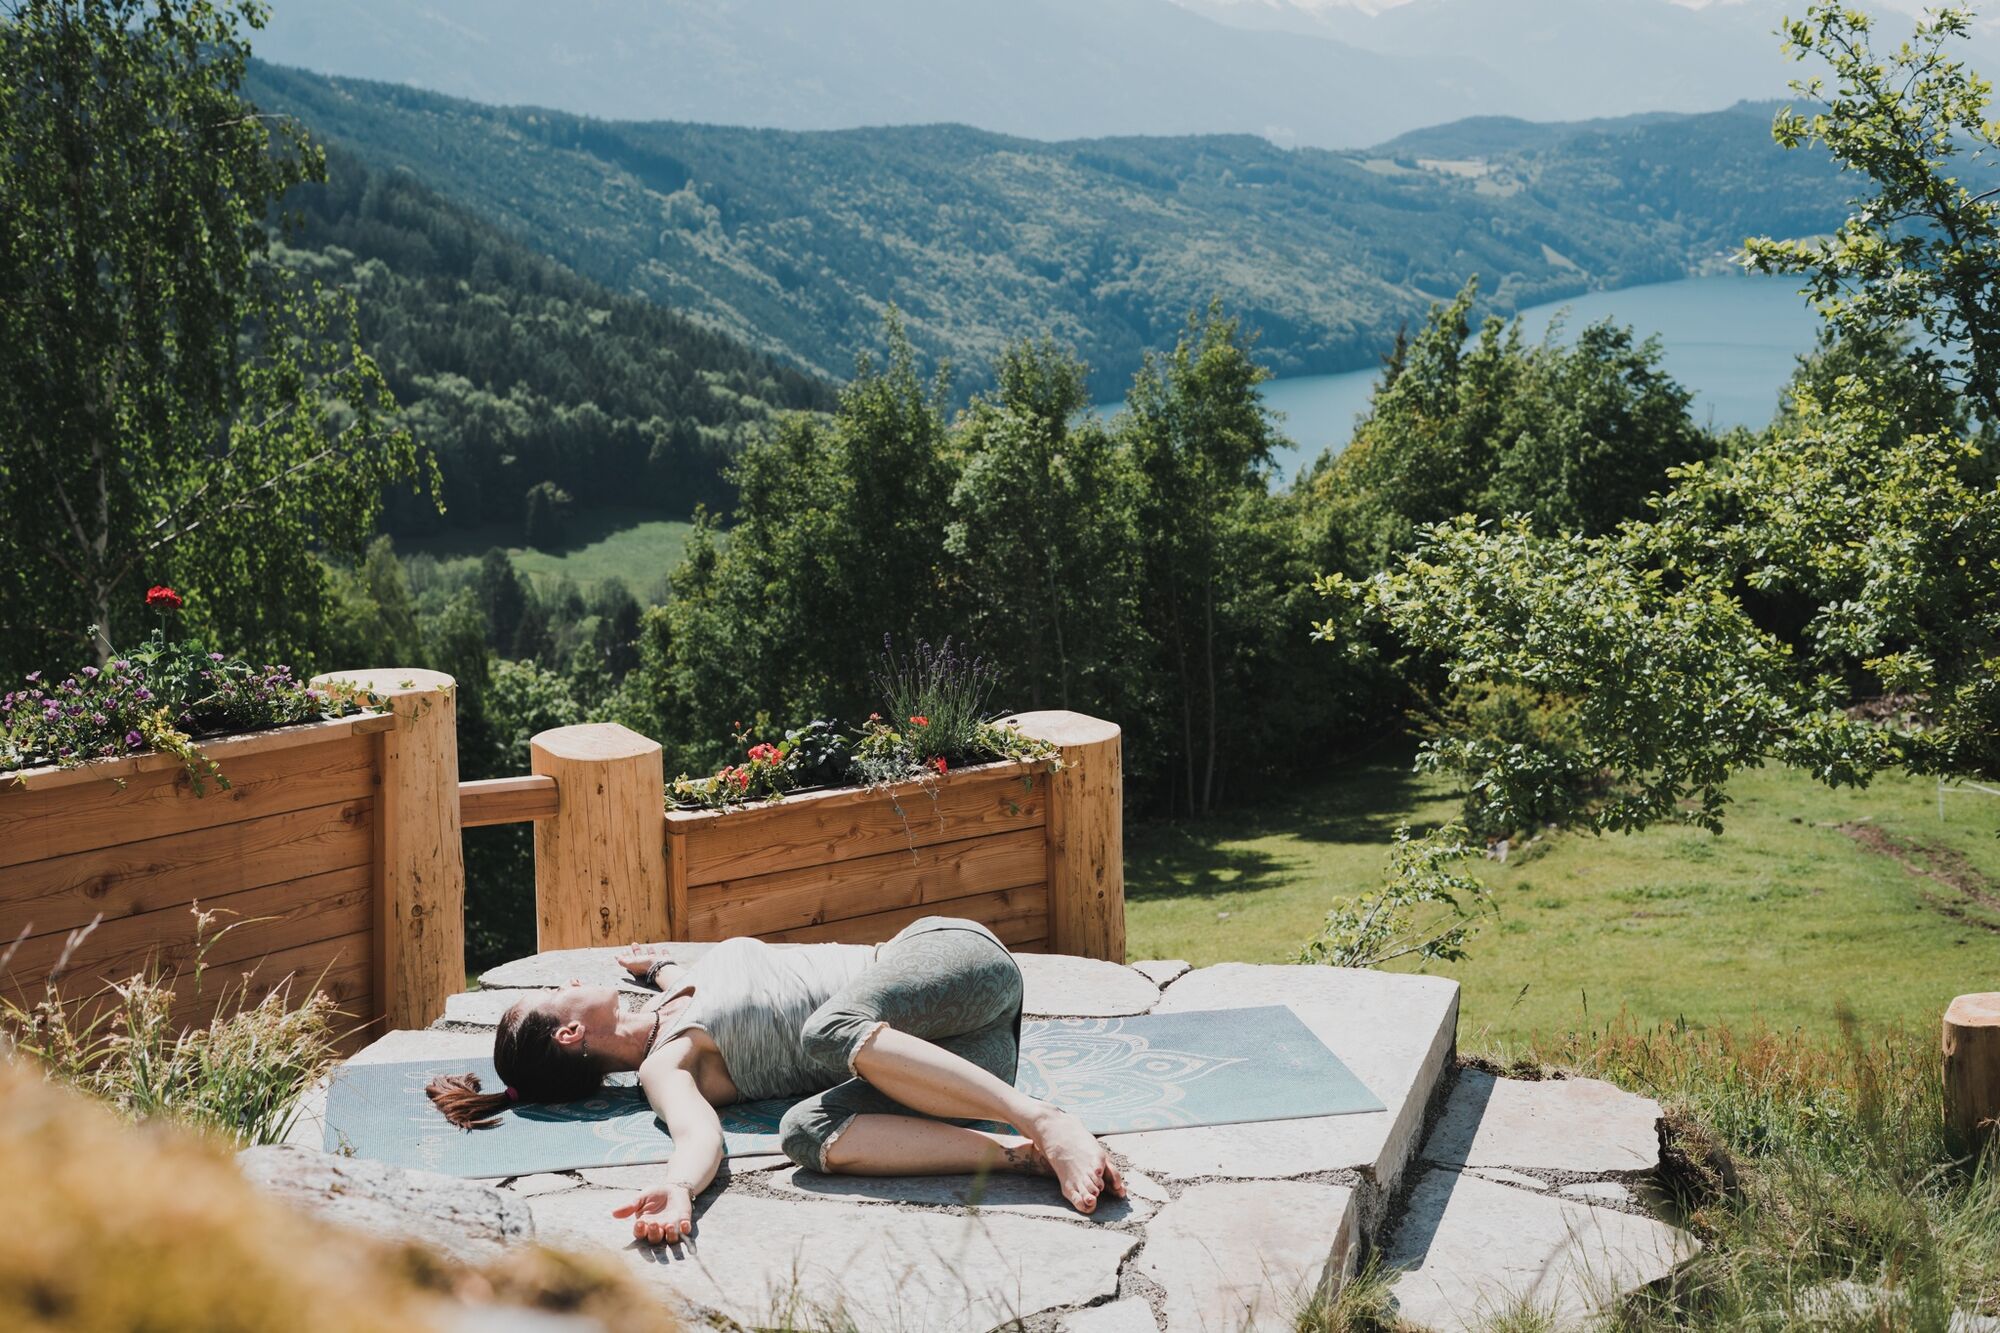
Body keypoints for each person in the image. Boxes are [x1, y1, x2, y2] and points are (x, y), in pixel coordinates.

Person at [426, 916, 1125, 1246]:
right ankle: (1023, 1154)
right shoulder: (664, 1063)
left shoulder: (674, 992)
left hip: (954, 964)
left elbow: (692, 982)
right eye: (557, 993)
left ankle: (1043, 1119)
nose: (570, 981)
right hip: (969, 1056)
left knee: (829, 1027)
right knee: (804, 1132)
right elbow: (699, 1135)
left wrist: (657, 969)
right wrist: (680, 1187)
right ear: (569, 1033)